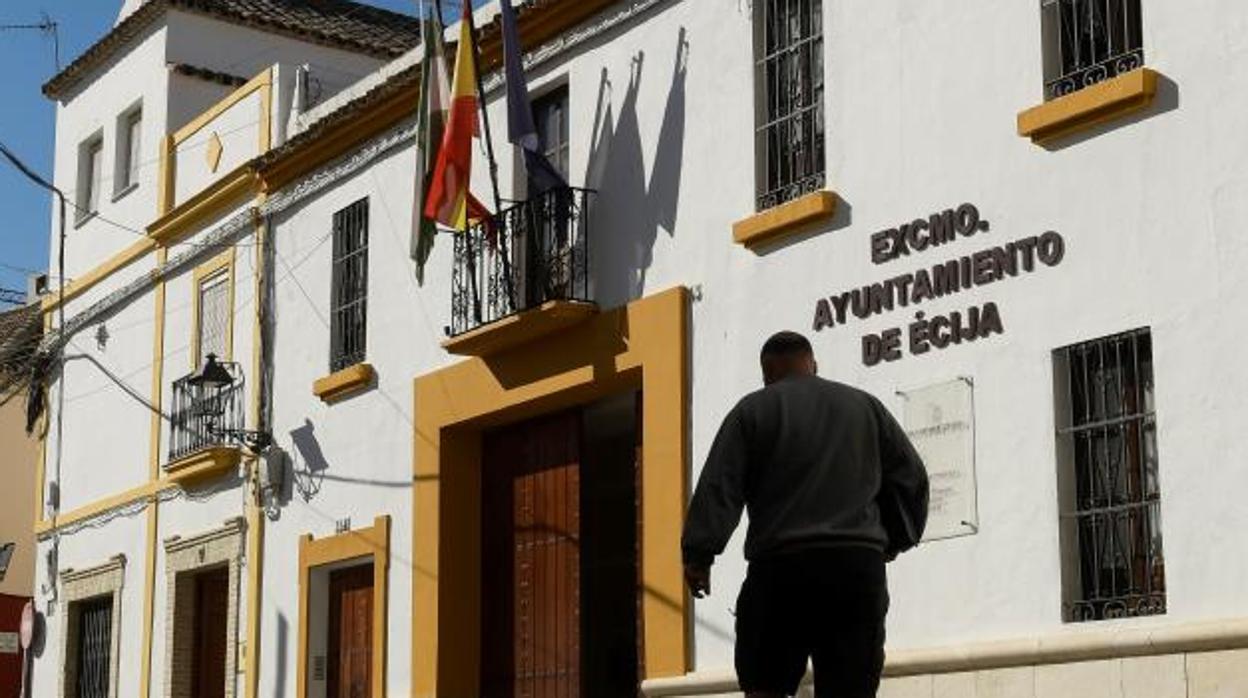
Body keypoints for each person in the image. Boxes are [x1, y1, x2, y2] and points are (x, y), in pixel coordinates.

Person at [682, 331, 929, 698]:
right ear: (813, 364)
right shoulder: (866, 407)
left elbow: (721, 485)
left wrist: (700, 556)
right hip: (856, 568)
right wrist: (892, 541)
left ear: (766, 374)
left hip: (781, 571)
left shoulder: (752, 411)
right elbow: (911, 479)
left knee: (764, 686)